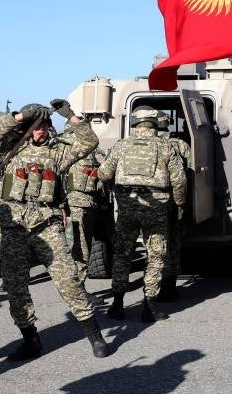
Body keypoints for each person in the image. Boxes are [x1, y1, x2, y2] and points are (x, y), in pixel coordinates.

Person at [0, 100, 110, 360]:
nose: (42, 130)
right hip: (14, 224)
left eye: (45, 126)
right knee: (15, 286)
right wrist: (21, 116)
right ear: (26, 130)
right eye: (37, 126)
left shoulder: (57, 152)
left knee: (68, 280)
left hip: (46, 222)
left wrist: (71, 116)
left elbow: (89, 142)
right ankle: (30, 339)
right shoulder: (10, 149)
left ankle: (94, 335)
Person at [98, 105, 187, 322]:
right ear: (155, 124)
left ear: (134, 123)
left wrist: (117, 188)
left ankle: (117, 305)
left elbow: (104, 173)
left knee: (122, 254)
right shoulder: (166, 147)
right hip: (156, 210)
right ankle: (149, 307)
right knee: (155, 256)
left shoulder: (121, 146)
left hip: (127, 208)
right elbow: (180, 180)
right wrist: (179, 205)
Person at [155, 110, 192, 301]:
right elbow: (188, 175)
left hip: (149, 204)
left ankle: (153, 286)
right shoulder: (180, 144)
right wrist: (181, 203)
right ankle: (169, 287)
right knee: (173, 244)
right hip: (173, 202)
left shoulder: (142, 144)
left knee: (154, 245)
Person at [65, 148, 107, 284]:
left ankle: (78, 283)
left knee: (80, 242)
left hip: (81, 204)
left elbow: (105, 173)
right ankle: (76, 283)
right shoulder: (60, 150)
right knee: (77, 243)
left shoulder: (93, 153)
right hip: (68, 204)